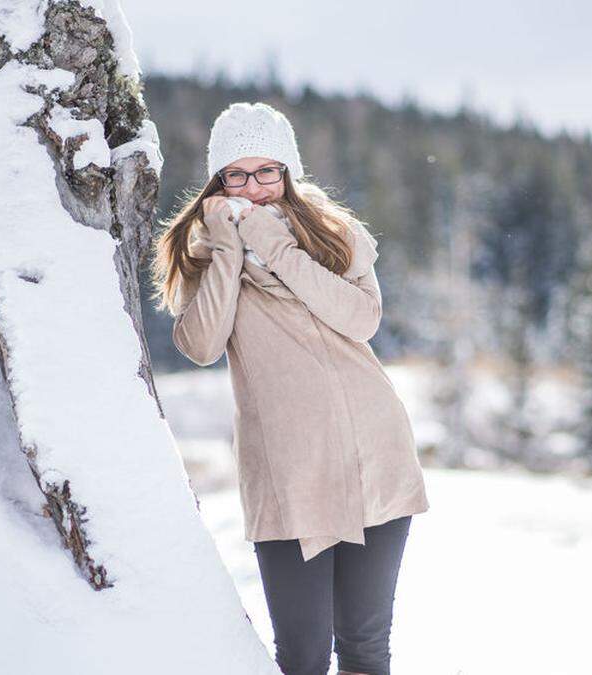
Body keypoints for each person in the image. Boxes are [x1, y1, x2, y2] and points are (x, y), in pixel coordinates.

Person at [149, 101, 429, 675]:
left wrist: (274, 245)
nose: (252, 189)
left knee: (365, 647)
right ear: (216, 181)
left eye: (266, 173)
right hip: (288, 472)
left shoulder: (335, 234)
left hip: (372, 454)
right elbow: (201, 344)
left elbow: (360, 319)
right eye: (237, 175)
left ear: (288, 172)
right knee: (302, 657)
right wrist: (230, 247)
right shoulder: (202, 252)